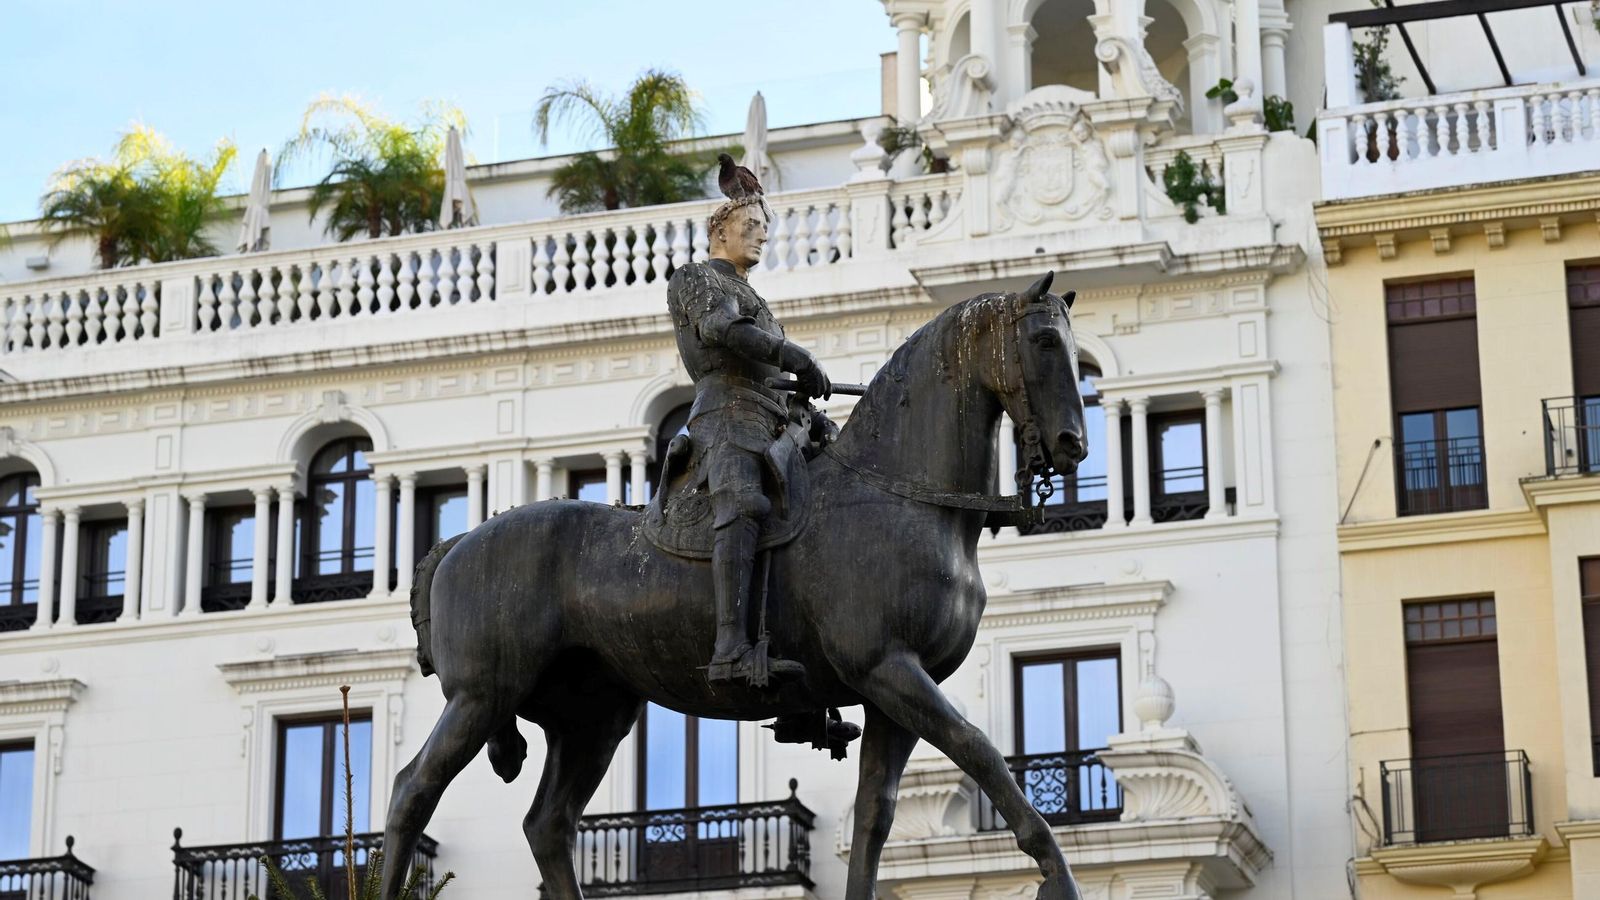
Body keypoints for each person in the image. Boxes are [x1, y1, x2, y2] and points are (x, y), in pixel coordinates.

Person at [665, 195, 830, 684]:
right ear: (721, 230)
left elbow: (768, 366)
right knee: (742, 504)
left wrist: (803, 399)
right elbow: (722, 330)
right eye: (752, 224)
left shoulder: (754, 296)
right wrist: (791, 355)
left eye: (764, 227)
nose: (762, 235)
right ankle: (730, 649)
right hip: (726, 412)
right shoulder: (696, 278)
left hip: (773, 416)